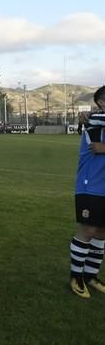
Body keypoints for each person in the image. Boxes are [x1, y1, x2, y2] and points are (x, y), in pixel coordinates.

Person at [68, 86, 105, 298]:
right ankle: (76, 276)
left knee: (101, 233)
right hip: (90, 185)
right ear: (101, 102)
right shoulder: (96, 120)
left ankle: (91, 276)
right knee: (87, 231)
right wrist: (85, 117)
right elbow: (88, 119)